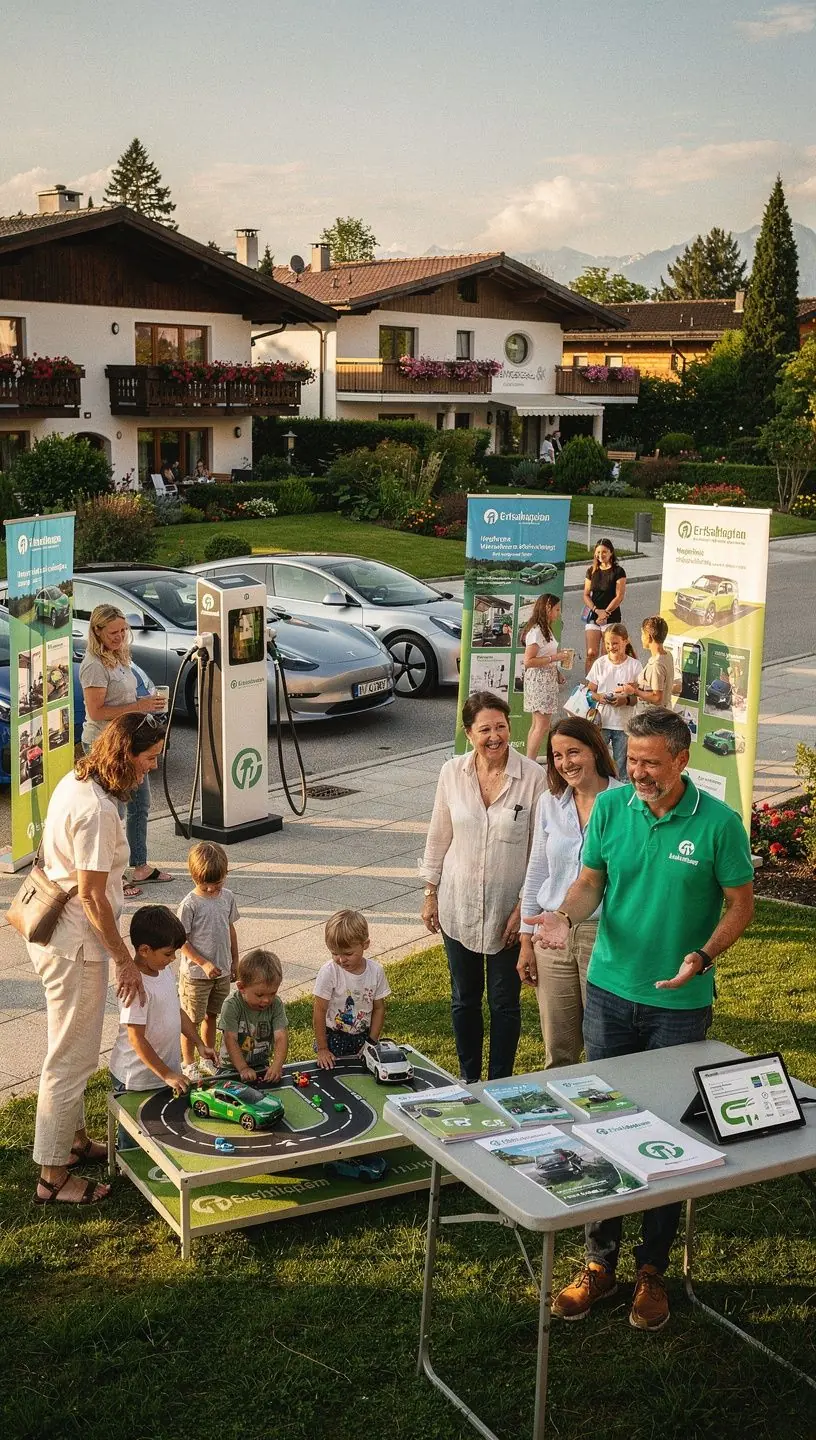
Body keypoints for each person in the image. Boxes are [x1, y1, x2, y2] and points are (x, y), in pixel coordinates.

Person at [526, 708, 754, 1331]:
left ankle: (652, 1268)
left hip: (679, 1005)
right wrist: (563, 916)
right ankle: (599, 1262)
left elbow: (740, 905)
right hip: (609, 993)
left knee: (669, 1132)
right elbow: (590, 881)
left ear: (682, 760)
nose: (639, 773)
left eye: (652, 762)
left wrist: (703, 955)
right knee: (604, 1124)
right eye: (633, 761)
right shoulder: (611, 807)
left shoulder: (719, 824)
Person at [28, 712, 165, 1205]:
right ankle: (52, 1176)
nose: (152, 767)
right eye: (149, 758)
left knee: (69, 1047)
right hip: (77, 946)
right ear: (125, 755)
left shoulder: (78, 779)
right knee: (71, 1059)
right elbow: (91, 896)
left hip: (60, 937)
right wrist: (124, 959)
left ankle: (74, 1141)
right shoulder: (99, 811)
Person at [420, 692, 547, 1082]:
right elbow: (438, 834)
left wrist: (524, 909)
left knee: (505, 1003)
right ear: (469, 733)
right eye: (485, 729)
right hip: (457, 904)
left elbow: (539, 851)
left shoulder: (534, 778)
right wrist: (430, 892)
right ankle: (469, 1079)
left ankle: (500, 1082)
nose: (495, 737)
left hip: (508, 912)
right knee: (464, 999)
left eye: (501, 727)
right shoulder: (451, 773)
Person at [518, 718, 621, 1067]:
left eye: (573, 752)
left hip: (603, 935)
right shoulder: (549, 803)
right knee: (558, 1050)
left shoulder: (625, 802)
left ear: (595, 750)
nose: (565, 763)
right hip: (550, 937)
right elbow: (537, 871)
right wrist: (526, 940)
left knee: (603, 1045)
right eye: (557, 756)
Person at [80, 604, 170, 896]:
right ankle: (114, 876)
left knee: (140, 804)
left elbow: (127, 695)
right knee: (113, 812)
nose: (119, 637)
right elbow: (96, 711)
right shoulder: (93, 665)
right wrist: (139, 706)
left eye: (123, 630)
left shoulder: (119, 655)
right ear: (97, 631)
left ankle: (139, 865)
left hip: (130, 741)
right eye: (113, 632)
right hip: (104, 745)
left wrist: (147, 703)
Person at [109, 906, 217, 1101]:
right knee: (136, 1120)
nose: (173, 959)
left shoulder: (163, 970)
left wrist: (199, 1043)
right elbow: (135, 1037)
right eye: (168, 954)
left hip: (164, 1075)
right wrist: (166, 1074)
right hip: (136, 1080)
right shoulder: (136, 986)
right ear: (144, 950)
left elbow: (177, 1011)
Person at [177, 842, 239, 1068]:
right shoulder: (189, 905)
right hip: (195, 976)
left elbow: (230, 929)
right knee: (191, 1021)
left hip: (221, 971)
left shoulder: (227, 897)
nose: (212, 889)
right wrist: (203, 963)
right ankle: (189, 1063)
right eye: (206, 885)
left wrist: (235, 961)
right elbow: (181, 941)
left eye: (218, 883)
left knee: (212, 1015)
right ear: (194, 878)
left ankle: (208, 1057)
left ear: (226, 874)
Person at [313, 910, 390, 1069]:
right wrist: (322, 1049)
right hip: (334, 1038)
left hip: (363, 1037)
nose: (341, 960)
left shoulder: (376, 972)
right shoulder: (329, 972)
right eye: (335, 953)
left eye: (348, 953)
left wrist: (371, 1042)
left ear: (365, 945)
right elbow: (319, 1010)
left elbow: (379, 1008)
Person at [220, 949, 289, 1083]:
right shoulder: (232, 1005)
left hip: (260, 1064)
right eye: (259, 995)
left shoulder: (276, 1004)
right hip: (231, 1067)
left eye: (272, 993)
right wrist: (243, 1068)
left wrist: (277, 1065)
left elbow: (281, 1037)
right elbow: (230, 1039)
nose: (267, 1000)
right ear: (241, 987)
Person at [585, 623, 640, 776]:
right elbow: (589, 691)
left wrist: (625, 700)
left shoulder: (635, 666)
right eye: (607, 643)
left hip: (623, 725)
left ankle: (620, 788)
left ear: (625, 641)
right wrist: (599, 697)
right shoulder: (600, 663)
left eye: (615, 643)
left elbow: (638, 697)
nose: (610, 647)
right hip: (601, 723)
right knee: (597, 763)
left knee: (622, 767)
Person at [522, 593, 571, 761]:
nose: (558, 613)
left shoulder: (545, 629)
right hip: (539, 681)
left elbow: (544, 654)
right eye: (557, 609)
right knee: (541, 726)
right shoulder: (537, 631)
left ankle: (529, 760)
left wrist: (557, 672)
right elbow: (528, 661)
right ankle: (530, 762)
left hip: (546, 679)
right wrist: (554, 658)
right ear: (548, 608)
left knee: (538, 724)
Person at [583, 539, 627, 673]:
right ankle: (590, 683)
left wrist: (605, 613)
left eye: (604, 552)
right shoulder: (591, 571)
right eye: (598, 552)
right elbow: (586, 595)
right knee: (591, 653)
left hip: (611, 616)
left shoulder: (618, 571)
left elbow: (619, 596)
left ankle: (604, 682)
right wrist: (597, 611)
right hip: (594, 616)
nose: (600, 555)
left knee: (606, 655)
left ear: (611, 552)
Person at [617, 615, 676, 716]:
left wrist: (634, 691)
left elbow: (657, 698)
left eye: (642, 634)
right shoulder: (668, 655)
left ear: (649, 636)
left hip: (654, 717)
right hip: (664, 713)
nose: (641, 638)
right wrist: (637, 685)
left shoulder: (656, 664)